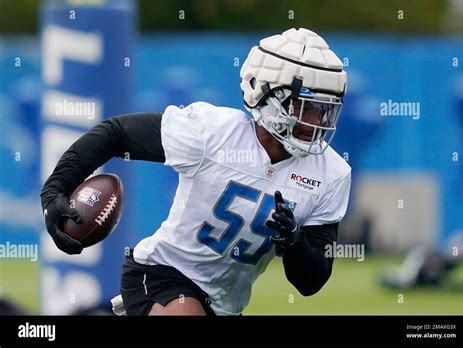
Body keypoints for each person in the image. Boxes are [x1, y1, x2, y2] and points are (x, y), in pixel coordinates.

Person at [41, 28, 351, 316]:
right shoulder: (212, 132)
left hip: (225, 305)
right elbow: (117, 133)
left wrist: (295, 242)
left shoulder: (332, 173)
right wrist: (55, 189)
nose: (318, 119)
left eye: (326, 108)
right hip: (162, 272)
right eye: (307, 105)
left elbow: (311, 283)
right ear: (270, 96)